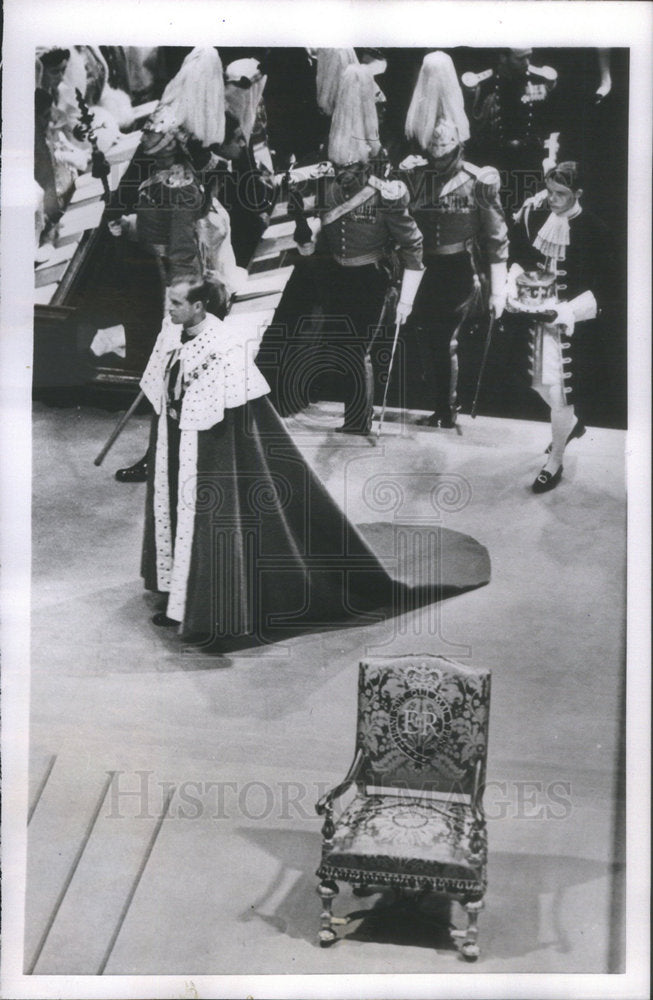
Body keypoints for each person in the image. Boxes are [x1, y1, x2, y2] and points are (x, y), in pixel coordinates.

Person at [140, 277, 402, 646]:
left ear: (199, 307)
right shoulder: (173, 331)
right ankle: (177, 592)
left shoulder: (224, 347)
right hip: (176, 439)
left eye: (176, 303)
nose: (169, 309)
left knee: (210, 519)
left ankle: (206, 610)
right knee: (174, 511)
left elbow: (230, 418)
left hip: (207, 448)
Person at [302, 63, 424, 435]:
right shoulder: (329, 174)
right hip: (337, 270)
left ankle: (358, 419)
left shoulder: (384, 185)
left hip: (370, 274)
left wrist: (407, 297)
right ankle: (354, 415)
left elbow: (412, 243)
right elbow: (320, 216)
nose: (349, 174)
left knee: (357, 350)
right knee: (342, 346)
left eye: (355, 170)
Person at [400, 52, 509, 428]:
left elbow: (496, 240)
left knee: (445, 340)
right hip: (420, 268)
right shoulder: (415, 176)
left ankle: (447, 409)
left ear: (459, 147)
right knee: (425, 338)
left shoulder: (479, 180)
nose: (440, 157)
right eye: (434, 151)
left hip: (458, 270)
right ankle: (438, 404)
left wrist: (499, 292)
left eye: (446, 150)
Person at [506, 161, 615, 492]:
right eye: (549, 191)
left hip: (572, 328)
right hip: (536, 321)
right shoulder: (537, 217)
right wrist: (515, 282)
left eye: (561, 194)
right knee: (541, 386)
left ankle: (555, 460)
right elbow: (522, 257)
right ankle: (572, 426)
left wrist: (570, 311)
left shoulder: (596, 230)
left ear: (577, 194)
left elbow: (609, 287)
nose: (551, 199)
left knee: (560, 394)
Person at [462, 48, 562, 216]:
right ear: (503, 57)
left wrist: (550, 159)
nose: (527, 63)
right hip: (495, 163)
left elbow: (551, 125)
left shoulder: (539, 80)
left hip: (529, 163)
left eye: (529, 57)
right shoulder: (485, 84)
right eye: (521, 59)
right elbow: (474, 129)